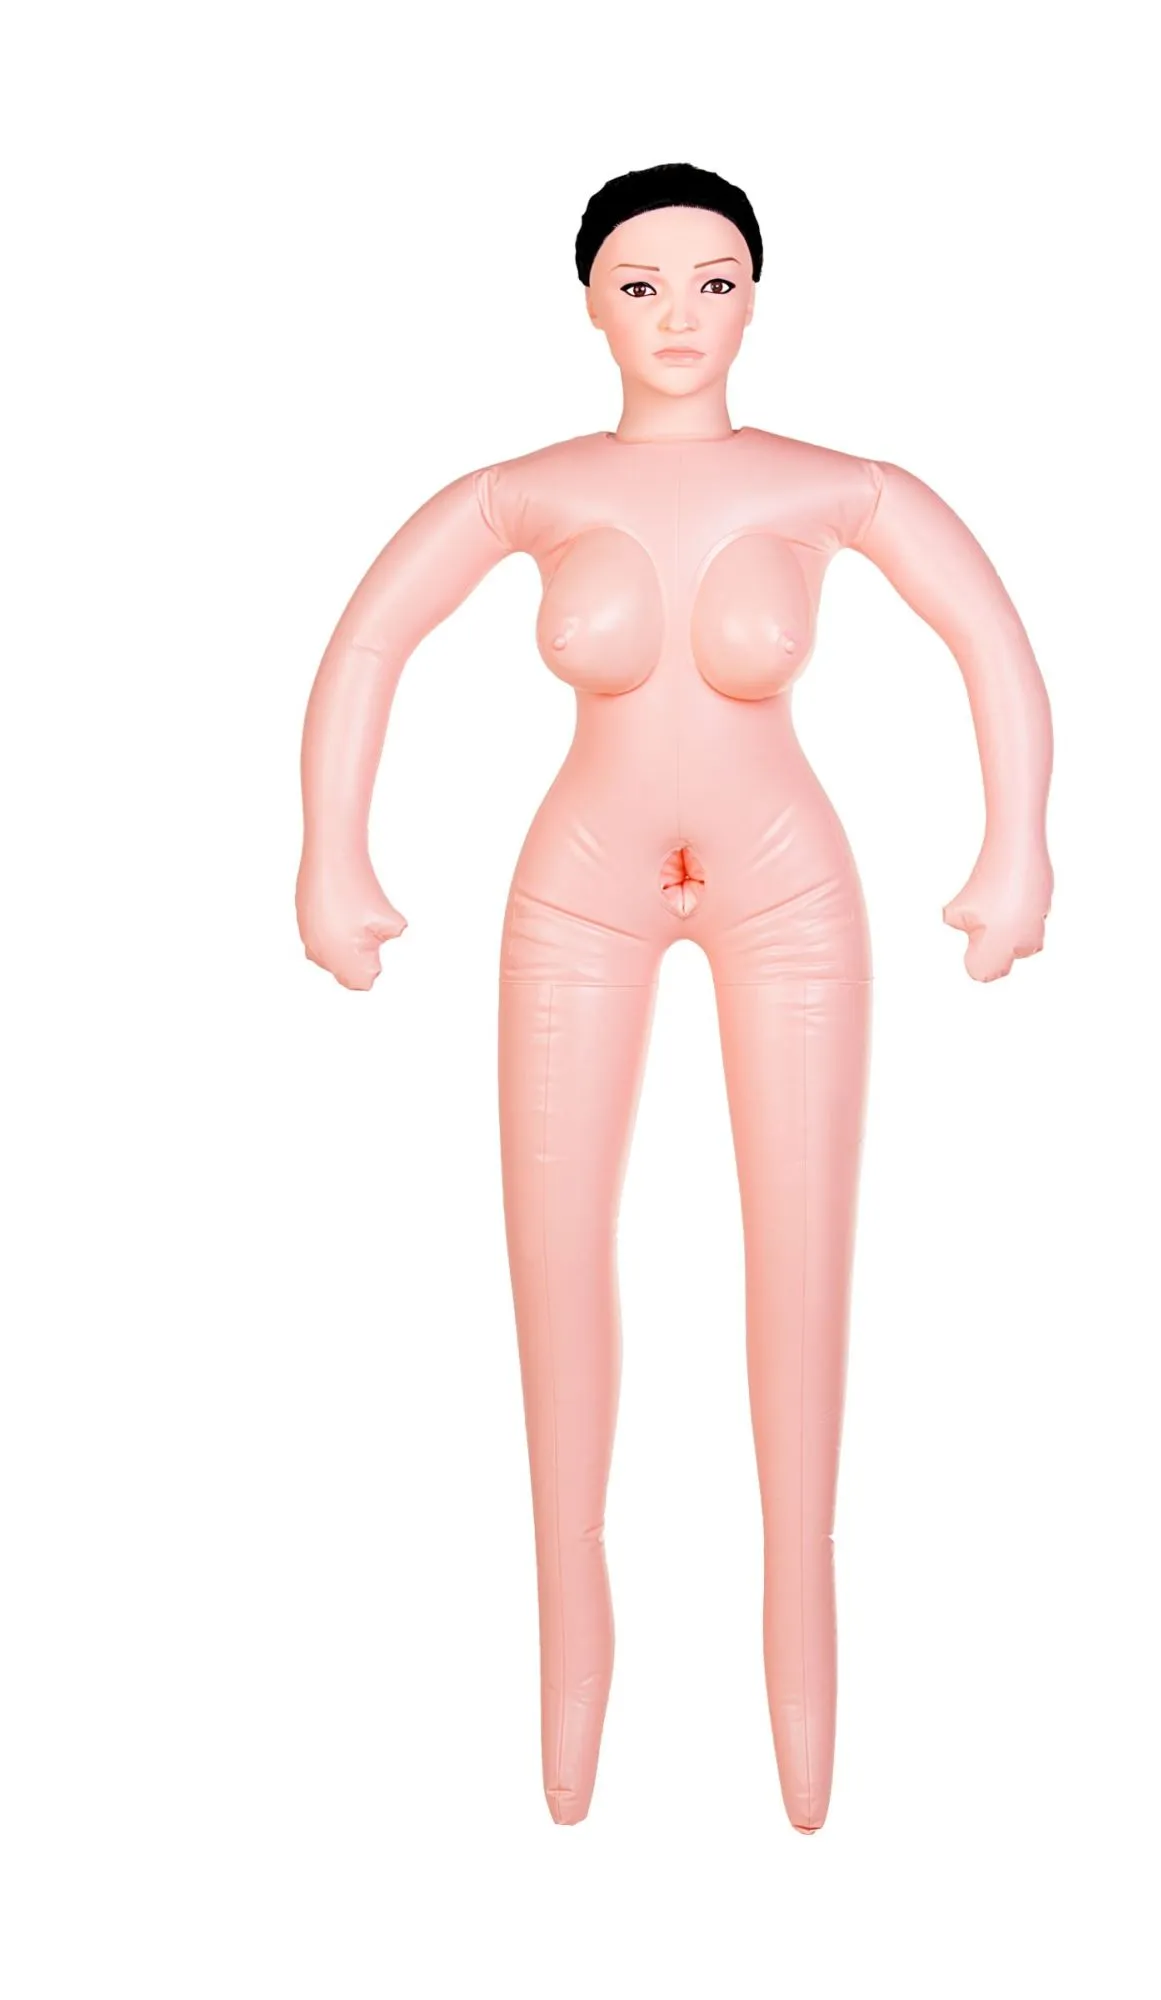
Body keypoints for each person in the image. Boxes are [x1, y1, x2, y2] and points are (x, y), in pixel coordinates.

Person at [296, 160, 1055, 1833]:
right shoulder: (528, 490)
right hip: (578, 893)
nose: (680, 316)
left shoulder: (833, 486)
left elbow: (987, 638)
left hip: (792, 895)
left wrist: (1019, 843)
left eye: (713, 281)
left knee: (802, 1264)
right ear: (587, 302)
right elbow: (370, 643)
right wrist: (329, 853)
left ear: (757, 295)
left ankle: (803, 1663)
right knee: (556, 1263)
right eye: (640, 285)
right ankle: (573, 1668)